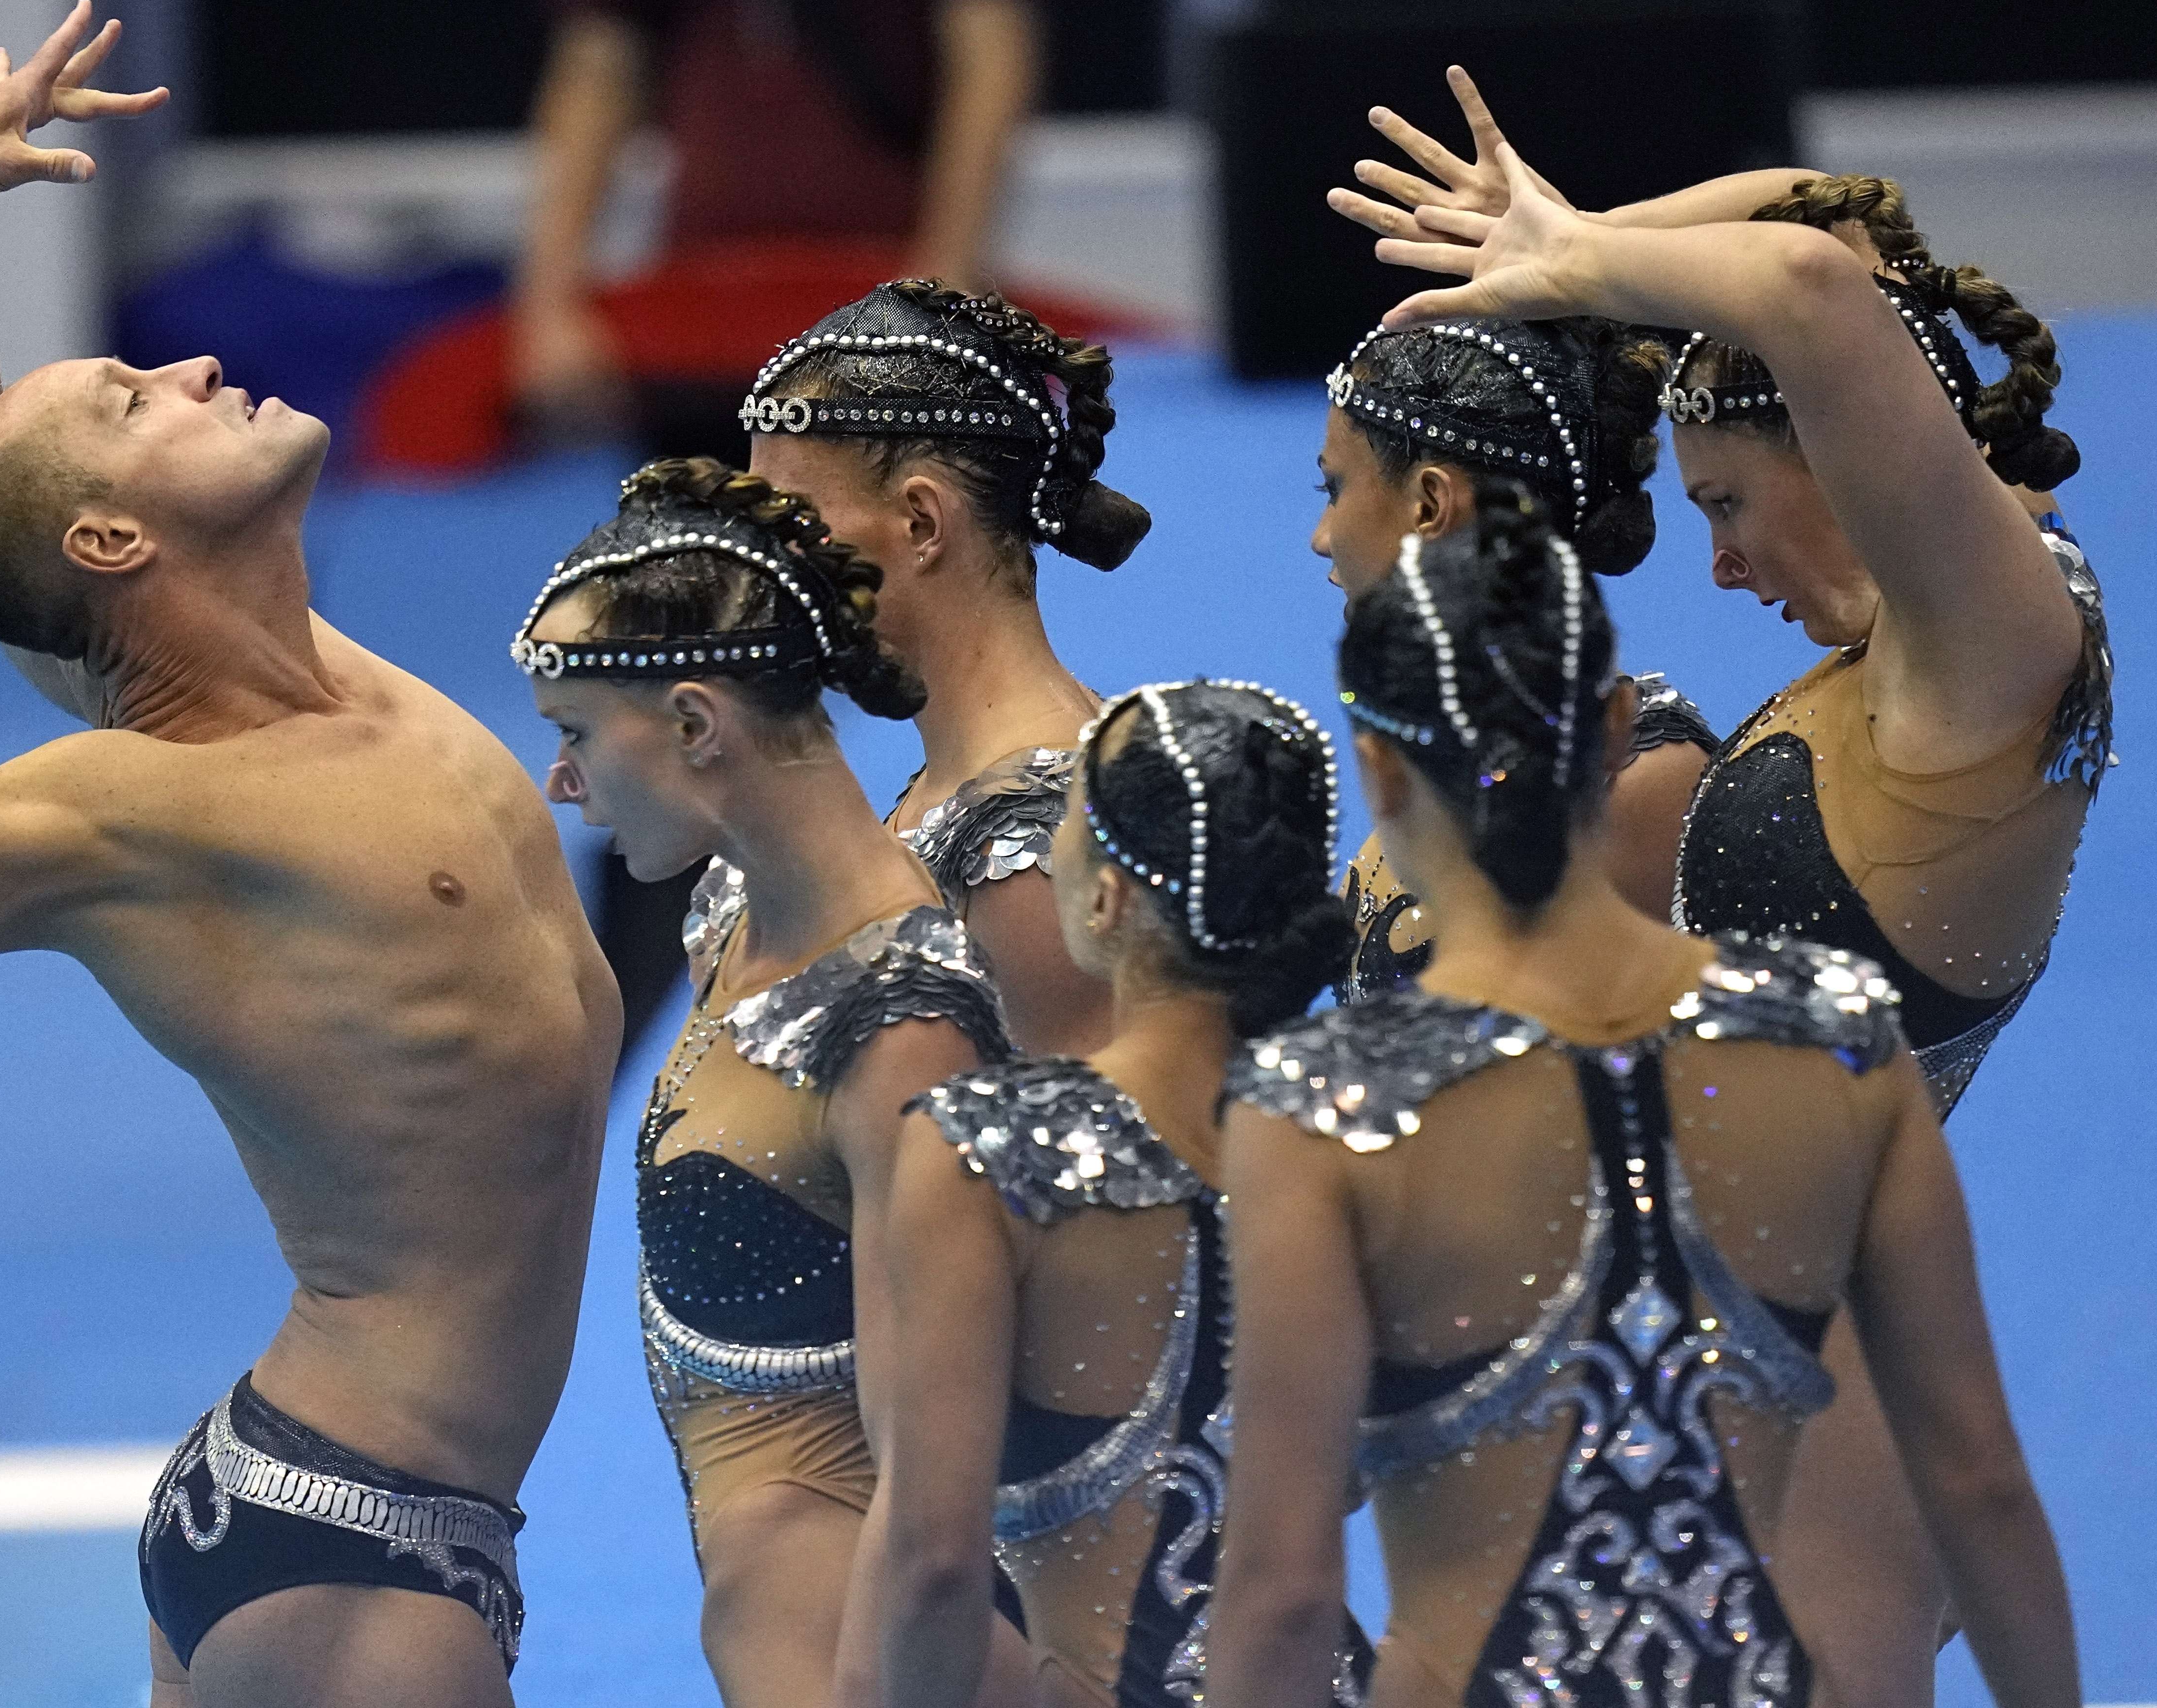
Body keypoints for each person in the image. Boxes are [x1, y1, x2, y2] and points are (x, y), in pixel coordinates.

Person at [0, 2, 619, 1708]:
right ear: (118, 536)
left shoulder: (311, 669)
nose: (187, 363)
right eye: (137, 393)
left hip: (377, 1510)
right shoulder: (141, 804)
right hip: (354, 1544)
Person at [1347, 106, 2107, 1698]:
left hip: (1812, 1382)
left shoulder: (1991, 654)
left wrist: (1587, 265)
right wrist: (1575, 225)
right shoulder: (1906, 662)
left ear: (1845, 445)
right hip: (1689, 1332)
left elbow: (1817, 292)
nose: (1713, 563)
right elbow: (1836, 226)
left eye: (1723, 503)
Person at [1207, 506, 2081, 1708]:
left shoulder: (1320, 1108)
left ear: (1377, 766)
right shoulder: (1828, 1037)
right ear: (1618, 726)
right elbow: (1974, 1476)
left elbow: (1281, 1585)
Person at [516, 456, 1029, 1707]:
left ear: (695, 724)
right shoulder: (731, 906)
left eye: (576, 734)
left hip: (867, 1656)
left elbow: (940, 1523)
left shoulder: (900, 1033)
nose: (561, 782)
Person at [866, 679, 1375, 1708]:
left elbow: (932, 1561)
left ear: (1105, 896)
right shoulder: (1364, 1139)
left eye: (1066, 824)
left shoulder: (990, 1147)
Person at [740, 278, 1152, 1057]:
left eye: (792, 520)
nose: (766, 563)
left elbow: (1099, 1167)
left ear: (922, 521)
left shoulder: (1031, 854)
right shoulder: (971, 781)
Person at [515, 0, 1058, 435]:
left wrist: (945, 280)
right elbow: (594, 72)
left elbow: (990, 58)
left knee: (885, 514)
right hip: (696, 316)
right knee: (710, 514)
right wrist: (549, 305)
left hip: (891, 295)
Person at [1306, 305, 1711, 999]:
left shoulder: (1632, 779)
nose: (1321, 536)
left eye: (1334, 489)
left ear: (1432, 504)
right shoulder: (1436, 731)